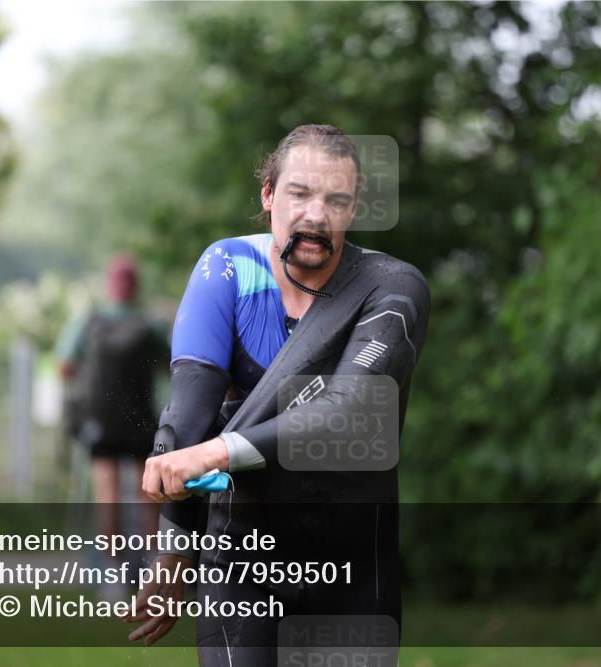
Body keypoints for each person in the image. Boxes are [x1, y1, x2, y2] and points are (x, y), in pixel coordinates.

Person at [126, 125, 430, 665]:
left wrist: (217, 452)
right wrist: (171, 562)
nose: (317, 214)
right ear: (268, 195)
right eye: (300, 193)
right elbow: (189, 424)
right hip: (241, 559)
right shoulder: (226, 270)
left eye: (336, 200)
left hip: (351, 568)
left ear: (354, 208)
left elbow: (351, 416)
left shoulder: (392, 286)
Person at [56, 255, 169, 549]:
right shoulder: (149, 325)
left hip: (100, 420)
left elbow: (64, 366)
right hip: (140, 420)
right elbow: (169, 367)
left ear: (110, 286)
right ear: (136, 286)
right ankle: (152, 568)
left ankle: (112, 573)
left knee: (107, 495)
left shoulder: (89, 322)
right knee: (149, 494)